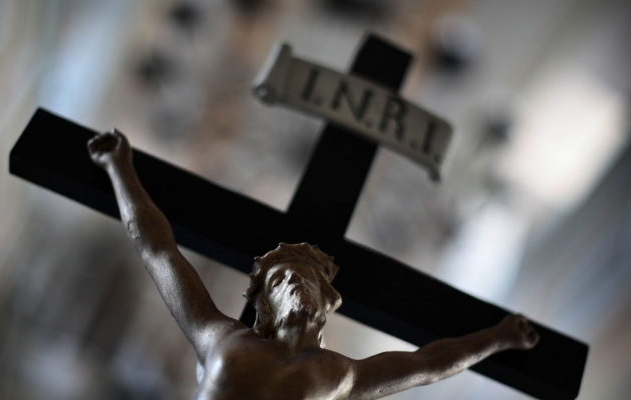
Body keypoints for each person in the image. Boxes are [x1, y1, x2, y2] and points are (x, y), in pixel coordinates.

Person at [88, 129, 539, 400]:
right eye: (282, 280)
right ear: (264, 303)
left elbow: (429, 363)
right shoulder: (219, 337)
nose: (295, 285)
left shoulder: (341, 375)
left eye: (305, 279)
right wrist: (119, 168)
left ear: (327, 302)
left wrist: (497, 337)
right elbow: (159, 251)